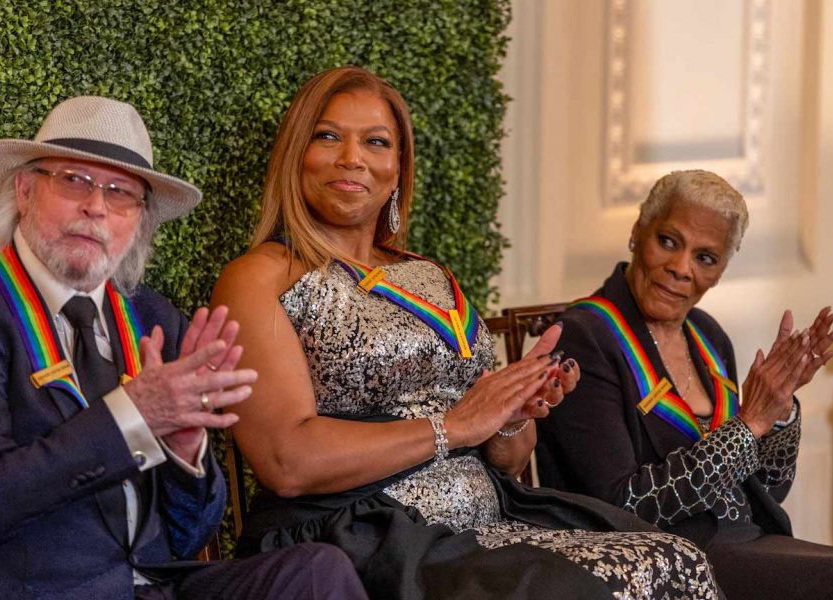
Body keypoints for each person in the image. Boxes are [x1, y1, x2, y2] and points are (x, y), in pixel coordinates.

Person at [211, 65, 723, 600]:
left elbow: (509, 454)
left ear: (398, 169)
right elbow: (287, 461)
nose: (353, 158)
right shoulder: (261, 275)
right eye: (328, 136)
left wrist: (509, 414)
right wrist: (453, 426)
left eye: (376, 142)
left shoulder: (432, 276)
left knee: (675, 560)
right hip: (362, 530)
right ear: (297, 154)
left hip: (488, 519)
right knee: (588, 587)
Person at [0, 96, 367, 600]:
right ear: (26, 190)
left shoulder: (152, 319)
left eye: (121, 193)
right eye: (74, 180)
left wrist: (184, 449)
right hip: (31, 591)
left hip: (151, 587)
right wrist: (133, 416)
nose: (96, 206)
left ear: (139, 223)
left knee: (316, 572)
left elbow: (188, 536)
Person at [535, 169, 833, 599]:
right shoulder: (587, 337)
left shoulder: (708, 336)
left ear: (721, 271)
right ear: (637, 233)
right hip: (670, 563)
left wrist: (778, 412)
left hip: (747, 542)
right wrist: (748, 425)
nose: (680, 269)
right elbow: (624, 505)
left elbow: (769, 488)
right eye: (668, 242)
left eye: (706, 258)